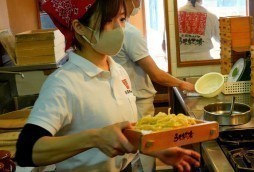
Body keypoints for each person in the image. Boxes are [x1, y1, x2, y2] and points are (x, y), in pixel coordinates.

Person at [14, 0, 200, 172]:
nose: (119, 28)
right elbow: (27, 151)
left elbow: (122, 134)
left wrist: (155, 150)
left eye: (121, 19)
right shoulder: (63, 83)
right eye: (108, 21)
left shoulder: (117, 71)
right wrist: (95, 138)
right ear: (79, 27)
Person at [113, 1, 196, 170]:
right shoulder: (128, 32)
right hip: (137, 105)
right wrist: (182, 83)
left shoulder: (120, 32)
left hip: (128, 102)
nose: (140, 3)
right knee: (143, 158)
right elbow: (156, 74)